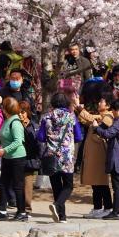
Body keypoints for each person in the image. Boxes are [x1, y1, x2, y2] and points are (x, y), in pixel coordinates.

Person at [37, 92, 83, 223]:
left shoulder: (46, 117)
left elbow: (40, 137)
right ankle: (58, 207)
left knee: (56, 186)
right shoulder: (71, 117)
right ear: (66, 103)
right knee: (68, 186)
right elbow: (78, 137)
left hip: (51, 156)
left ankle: (62, 216)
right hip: (67, 157)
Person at [0, 96, 28, 222]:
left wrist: (4, 150)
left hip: (17, 158)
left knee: (17, 185)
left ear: (6, 109)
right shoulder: (7, 121)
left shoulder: (15, 122)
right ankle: (2, 211)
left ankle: (22, 212)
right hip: (7, 157)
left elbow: (18, 142)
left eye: (3, 106)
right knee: (3, 184)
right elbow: (1, 138)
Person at [79, 95, 113, 218]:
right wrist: (78, 109)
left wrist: (80, 108)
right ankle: (97, 207)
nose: (99, 103)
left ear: (108, 105)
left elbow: (96, 123)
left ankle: (107, 207)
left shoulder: (108, 117)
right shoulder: (99, 116)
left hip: (101, 154)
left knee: (101, 182)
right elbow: (85, 119)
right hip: (94, 154)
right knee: (95, 182)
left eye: (101, 102)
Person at [18, 99, 38, 214]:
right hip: (16, 159)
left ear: (27, 112)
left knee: (27, 185)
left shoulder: (33, 126)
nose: (20, 115)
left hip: (29, 159)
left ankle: (27, 208)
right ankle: (19, 207)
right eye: (18, 112)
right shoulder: (15, 124)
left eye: (23, 112)